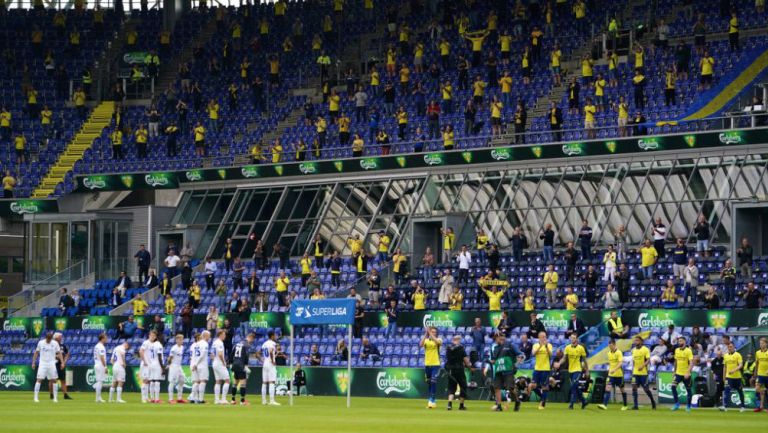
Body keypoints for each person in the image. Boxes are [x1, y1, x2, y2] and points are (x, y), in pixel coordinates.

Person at [489, 333, 524, 412]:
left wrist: (517, 363)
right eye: (495, 338)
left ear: (501, 337)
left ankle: (517, 401)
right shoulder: (495, 348)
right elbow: (495, 360)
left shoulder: (510, 345)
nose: (496, 339)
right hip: (499, 371)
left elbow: (520, 354)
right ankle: (499, 405)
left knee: (510, 388)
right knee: (496, 387)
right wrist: (491, 362)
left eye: (497, 337)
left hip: (508, 371)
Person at [557, 334, 589, 410]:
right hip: (570, 370)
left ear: (577, 339)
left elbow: (584, 360)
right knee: (575, 386)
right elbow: (564, 358)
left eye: (574, 338)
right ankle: (584, 401)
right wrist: (559, 363)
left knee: (573, 385)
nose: (572, 339)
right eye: (571, 338)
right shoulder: (567, 348)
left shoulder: (581, 348)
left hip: (578, 370)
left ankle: (571, 404)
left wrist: (587, 370)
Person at [32, 332, 64, 403]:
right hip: (42, 363)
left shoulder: (55, 343)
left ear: (52, 338)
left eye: (50, 339)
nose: (49, 341)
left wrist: (62, 362)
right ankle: (35, 397)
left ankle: (55, 398)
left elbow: (59, 353)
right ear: (46, 338)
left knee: (54, 380)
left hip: (52, 363)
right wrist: (33, 362)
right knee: (39, 379)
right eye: (48, 339)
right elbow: (36, 352)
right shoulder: (41, 343)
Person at [444, 335, 471, 411]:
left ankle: (449, 404)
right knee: (463, 386)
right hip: (459, 370)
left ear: (453, 339)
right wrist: (469, 366)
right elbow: (466, 360)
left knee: (451, 387)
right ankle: (461, 405)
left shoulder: (448, 348)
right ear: (458, 340)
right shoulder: (461, 348)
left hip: (451, 370)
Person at [630, 336, 656, 410]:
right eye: (635, 341)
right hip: (635, 373)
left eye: (637, 340)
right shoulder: (633, 350)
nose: (636, 342)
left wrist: (643, 366)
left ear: (641, 342)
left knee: (646, 389)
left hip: (644, 373)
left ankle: (653, 402)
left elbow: (648, 360)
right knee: (634, 388)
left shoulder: (645, 349)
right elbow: (634, 361)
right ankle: (635, 405)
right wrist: (633, 370)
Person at [528, 332, 552, 409]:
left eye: (544, 337)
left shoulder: (549, 345)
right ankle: (543, 398)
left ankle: (542, 403)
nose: (543, 338)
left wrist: (545, 346)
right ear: (539, 337)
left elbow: (550, 354)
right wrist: (540, 346)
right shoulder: (535, 345)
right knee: (533, 385)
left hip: (545, 368)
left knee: (544, 386)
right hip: (537, 368)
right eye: (542, 337)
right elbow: (533, 353)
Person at [670, 337, 695, 411]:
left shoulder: (688, 351)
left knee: (688, 390)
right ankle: (677, 404)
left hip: (686, 374)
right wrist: (674, 371)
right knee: (673, 387)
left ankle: (688, 406)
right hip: (678, 373)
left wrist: (688, 372)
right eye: (679, 341)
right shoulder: (676, 350)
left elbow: (691, 363)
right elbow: (676, 362)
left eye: (681, 341)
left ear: (684, 341)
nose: (679, 342)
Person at [721, 342, 746, 412]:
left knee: (740, 391)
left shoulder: (738, 355)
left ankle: (743, 407)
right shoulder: (725, 356)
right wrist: (724, 376)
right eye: (729, 347)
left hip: (737, 377)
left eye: (731, 346)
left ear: (734, 347)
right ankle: (725, 406)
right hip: (728, 377)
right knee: (726, 391)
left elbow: (741, 365)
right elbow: (725, 367)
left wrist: (734, 370)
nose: (730, 348)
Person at [420, 326, 442, 409]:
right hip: (427, 364)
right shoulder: (426, 340)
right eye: (432, 332)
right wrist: (426, 333)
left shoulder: (439, 340)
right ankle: (432, 399)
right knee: (429, 382)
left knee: (433, 381)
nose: (433, 333)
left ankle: (431, 399)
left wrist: (429, 333)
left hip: (436, 364)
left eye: (434, 332)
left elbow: (437, 342)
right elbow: (420, 344)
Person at [139, 330, 163, 403]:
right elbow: (141, 351)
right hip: (145, 364)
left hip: (150, 364)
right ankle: (143, 398)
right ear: (149, 335)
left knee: (148, 381)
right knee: (145, 381)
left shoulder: (153, 344)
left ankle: (147, 398)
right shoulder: (146, 342)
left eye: (154, 336)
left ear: (155, 337)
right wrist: (144, 361)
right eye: (151, 335)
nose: (152, 337)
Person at [259, 331, 280, 406]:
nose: (276, 336)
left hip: (265, 363)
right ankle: (272, 401)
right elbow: (271, 351)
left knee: (264, 382)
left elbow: (257, 353)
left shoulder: (264, 343)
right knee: (272, 382)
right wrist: (272, 360)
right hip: (270, 364)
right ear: (272, 336)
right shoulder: (272, 343)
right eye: (275, 335)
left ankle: (264, 401)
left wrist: (262, 360)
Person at [211, 330, 231, 405]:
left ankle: (216, 400)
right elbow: (220, 354)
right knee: (227, 380)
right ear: (220, 335)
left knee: (218, 381)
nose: (225, 336)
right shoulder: (220, 343)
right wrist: (224, 363)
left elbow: (212, 354)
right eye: (224, 334)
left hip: (214, 363)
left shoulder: (214, 342)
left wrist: (214, 361)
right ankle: (223, 399)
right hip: (219, 363)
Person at [190, 331, 210, 404]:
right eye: (208, 336)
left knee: (196, 382)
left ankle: (193, 398)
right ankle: (201, 399)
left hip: (195, 364)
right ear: (205, 336)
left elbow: (193, 356)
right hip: (202, 364)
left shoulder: (196, 344)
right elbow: (202, 354)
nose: (209, 338)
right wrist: (196, 364)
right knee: (203, 381)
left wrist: (194, 364)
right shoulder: (205, 344)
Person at [165, 334, 186, 404]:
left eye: (182, 339)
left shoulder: (182, 347)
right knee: (172, 382)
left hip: (179, 366)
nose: (181, 341)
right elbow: (170, 357)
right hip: (173, 366)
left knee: (182, 380)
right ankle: (170, 399)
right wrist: (168, 365)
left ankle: (179, 398)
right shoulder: (174, 348)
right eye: (180, 339)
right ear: (176, 340)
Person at [754, 337, 768, 412]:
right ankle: (759, 406)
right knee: (757, 389)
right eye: (760, 343)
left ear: (766, 344)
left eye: (762, 343)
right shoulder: (757, 353)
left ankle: (764, 407)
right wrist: (755, 373)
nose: (761, 345)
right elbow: (757, 363)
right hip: (760, 374)